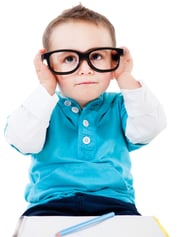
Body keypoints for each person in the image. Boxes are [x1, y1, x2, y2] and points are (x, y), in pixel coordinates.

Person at [4, 4, 166, 217]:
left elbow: (150, 127)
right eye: (69, 59)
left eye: (96, 56)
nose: (85, 69)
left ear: (114, 60)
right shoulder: (43, 108)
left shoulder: (122, 105)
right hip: (49, 205)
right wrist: (46, 89)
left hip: (115, 204)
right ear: (49, 66)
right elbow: (21, 140)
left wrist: (125, 78)